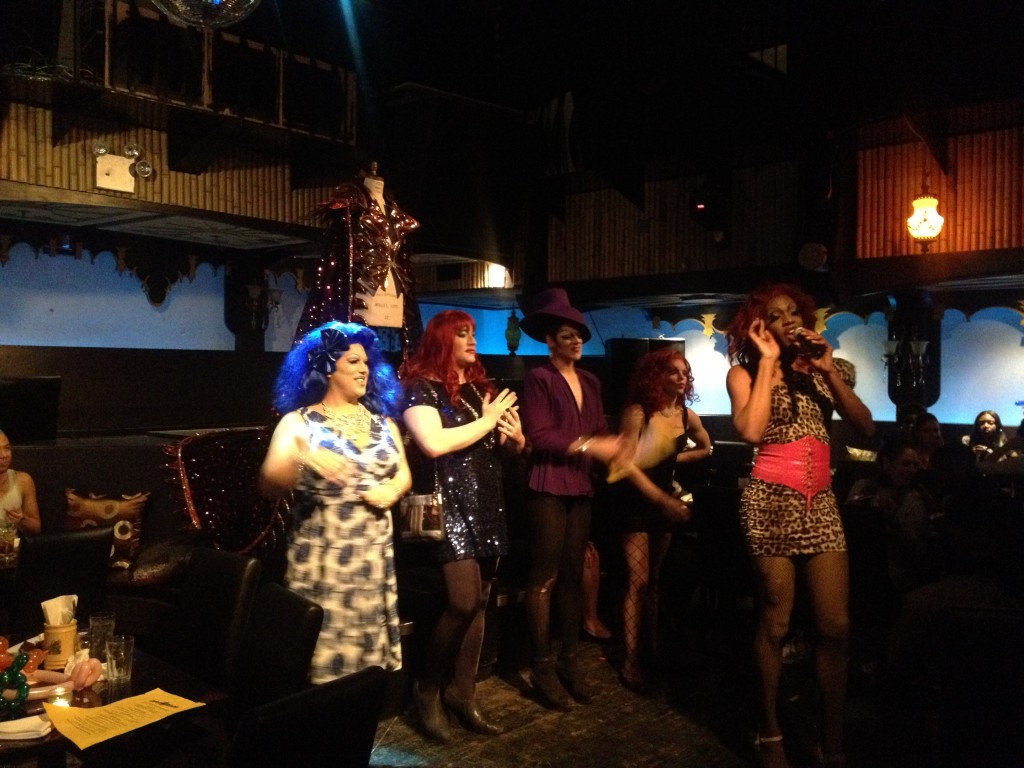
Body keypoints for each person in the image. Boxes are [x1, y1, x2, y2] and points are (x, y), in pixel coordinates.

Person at [725, 283, 875, 768]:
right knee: (776, 620)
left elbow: (867, 427)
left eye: (793, 312)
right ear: (759, 326)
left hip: (821, 503)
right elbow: (751, 432)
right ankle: (770, 731)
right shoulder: (745, 373)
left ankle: (832, 739)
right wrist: (769, 360)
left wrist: (828, 368)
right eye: (775, 315)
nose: (788, 319)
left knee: (836, 625)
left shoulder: (827, 372)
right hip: (768, 502)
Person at [259, 321, 411, 683]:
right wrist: (302, 459)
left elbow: (403, 472)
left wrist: (392, 491)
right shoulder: (299, 424)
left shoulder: (384, 424)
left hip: (372, 564)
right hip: (324, 568)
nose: (364, 369)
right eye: (353, 361)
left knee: (367, 676)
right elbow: (269, 482)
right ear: (327, 368)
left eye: (366, 362)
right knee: (322, 674)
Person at [399, 310, 524, 741]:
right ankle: (427, 687)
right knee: (463, 600)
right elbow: (433, 444)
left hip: (486, 501)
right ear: (442, 341)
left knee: (483, 598)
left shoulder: (480, 390)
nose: (472, 340)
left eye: (472, 333)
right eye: (462, 334)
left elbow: (498, 449)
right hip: (449, 505)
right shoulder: (421, 388)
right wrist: (487, 422)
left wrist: (515, 440)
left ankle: (462, 692)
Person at [519, 287, 618, 711]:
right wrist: (591, 446)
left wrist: (616, 445)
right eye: (567, 335)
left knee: (574, 575)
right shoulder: (539, 378)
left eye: (579, 334)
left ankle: (569, 661)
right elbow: (540, 435)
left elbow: (598, 431)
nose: (577, 340)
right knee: (545, 577)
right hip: (548, 483)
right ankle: (542, 667)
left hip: (579, 484)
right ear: (550, 341)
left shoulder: (591, 381)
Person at [610, 347, 711, 694]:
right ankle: (630, 662)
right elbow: (624, 464)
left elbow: (706, 446)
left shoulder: (685, 415)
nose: (682, 378)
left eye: (685, 372)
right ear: (657, 376)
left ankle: (651, 652)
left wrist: (670, 458)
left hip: (663, 503)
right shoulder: (638, 412)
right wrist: (663, 498)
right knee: (638, 581)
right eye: (673, 372)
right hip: (636, 502)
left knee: (654, 580)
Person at [0, 429, 42, 535]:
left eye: (7, 448)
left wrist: (21, 520)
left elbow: (36, 528)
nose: (4, 455)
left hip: (11, 543)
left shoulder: (23, 480)